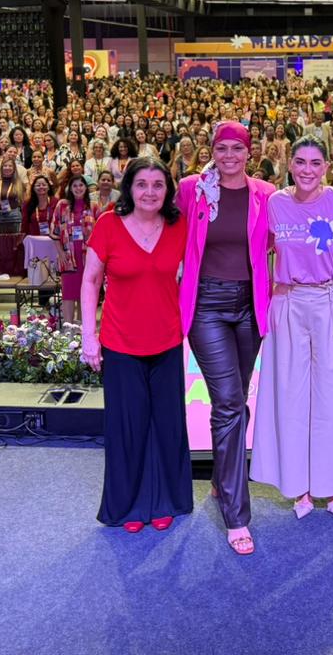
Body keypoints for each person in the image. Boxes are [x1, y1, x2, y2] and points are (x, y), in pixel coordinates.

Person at [251, 135, 333, 522]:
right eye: (300, 162)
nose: (307, 170)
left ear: (326, 166)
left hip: (331, 304)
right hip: (287, 304)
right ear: (290, 164)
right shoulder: (275, 204)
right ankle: (299, 486)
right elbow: (257, 251)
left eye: (315, 163)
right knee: (292, 398)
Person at [176, 121, 276, 556]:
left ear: (249, 153)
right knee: (231, 403)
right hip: (206, 306)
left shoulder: (267, 195)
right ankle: (237, 515)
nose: (230, 155)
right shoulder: (191, 190)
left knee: (236, 402)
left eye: (238, 148)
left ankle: (221, 478)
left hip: (250, 306)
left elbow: (280, 245)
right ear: (212, 151)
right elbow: (167, 233)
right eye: (222, 148)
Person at [80, 157, 191, 533]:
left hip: (166, 340)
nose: (149, 192)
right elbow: (91, 282)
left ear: (167, 191)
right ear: (129, 187)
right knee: (128, 428)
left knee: (166, 426)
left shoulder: (179, 227)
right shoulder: (108, 225)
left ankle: (163, 501)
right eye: (142, 184)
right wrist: (88, 337)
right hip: (121, 342)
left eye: (158, 185)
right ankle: (129, 505)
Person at [54, 175, 99, 323]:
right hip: (68, 258)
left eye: (81, 185)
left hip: (88, 259)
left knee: (84, 294)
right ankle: (67, 330)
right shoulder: (62, 205)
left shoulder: (93, 206)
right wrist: (60, 253)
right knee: (68, 294)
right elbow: (55, 232)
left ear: (86, 188)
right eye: (75, 186)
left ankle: (81, 330)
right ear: (70, 188)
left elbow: (100, 233)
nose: (78, 188)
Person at [0, 157, 24, 234]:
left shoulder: (19, 184)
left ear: (14, 169)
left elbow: (24, 202)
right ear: (1, 168)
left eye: (10, 166)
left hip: (13, 217)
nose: (7, 168)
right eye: (5, 166)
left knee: (14, 243)